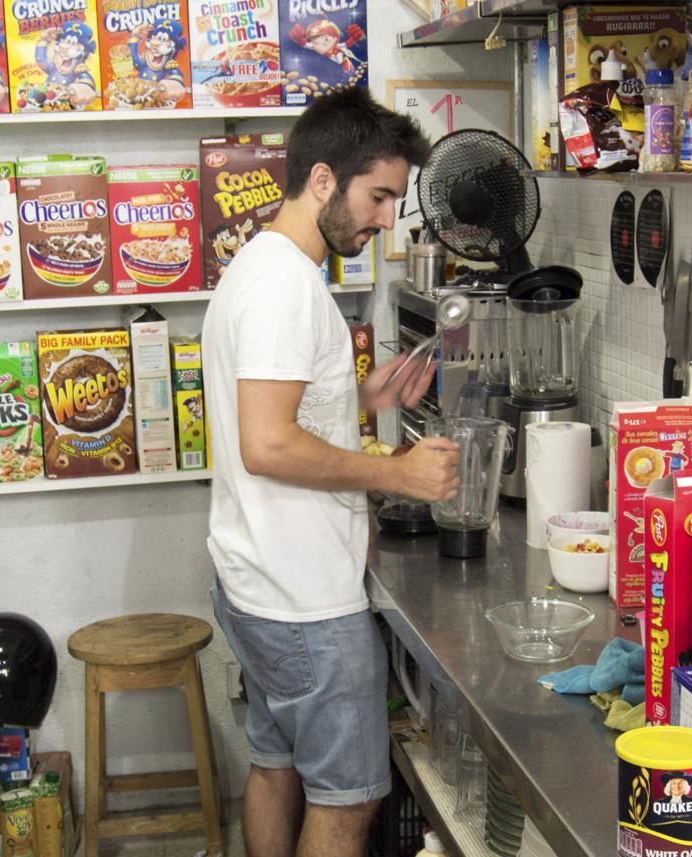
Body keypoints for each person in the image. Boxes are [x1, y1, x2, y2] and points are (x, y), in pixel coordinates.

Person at [202, 87, 460, 857]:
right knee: (349, 799)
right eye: (378, 195)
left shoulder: (265, 264)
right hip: (304, 598)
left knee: (277, 765)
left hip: (255, 577)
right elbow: (268, 445)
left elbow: (283, 417)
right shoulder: (288, 286)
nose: (386, 217)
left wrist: (361, 394)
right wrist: (399, 475)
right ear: (323, 180)